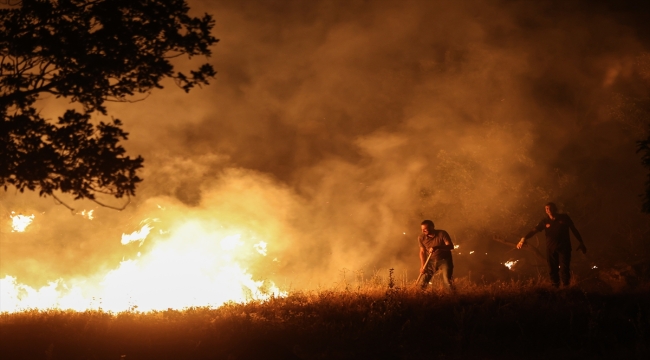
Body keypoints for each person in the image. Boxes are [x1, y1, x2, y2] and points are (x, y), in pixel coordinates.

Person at [517, 202, 587, 288]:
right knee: (552, 269)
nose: (548, 210)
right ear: (545, 210)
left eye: (550, 208)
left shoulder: (564, 218)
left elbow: (574, 229)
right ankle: (555, 286)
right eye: (546, 208)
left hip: (564, 248)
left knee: (564, 269)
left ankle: (566, 287)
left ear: (555, 209)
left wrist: (581, 242)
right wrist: (524, 238)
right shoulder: (545, 221)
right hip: (551, 249)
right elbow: (534, 230)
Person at [418, 220, 455, 290]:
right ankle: (418, 297)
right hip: (431, 261)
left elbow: (450, 246)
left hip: (445, 260)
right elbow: (422, 252)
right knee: (422, 283)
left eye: (425, 229)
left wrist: (437, 247)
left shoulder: (442, 233)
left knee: (448, 281)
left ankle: (454, 298)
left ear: (432, 227)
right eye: (422, 229)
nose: (423, 231)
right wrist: (423, 266)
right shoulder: (421, 237)